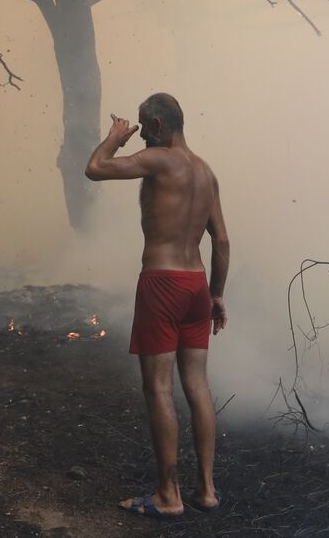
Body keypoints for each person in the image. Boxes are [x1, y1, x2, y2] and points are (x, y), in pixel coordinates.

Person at [85, 92, 229, 518]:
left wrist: (114, 137)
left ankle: (168, 495)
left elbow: (94, 168)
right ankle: (206, 490)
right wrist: (216, 294)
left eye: (145, 128)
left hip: (162, 282)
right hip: (196, 283)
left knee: (159, 387)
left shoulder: (161, 159)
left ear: (160, 126)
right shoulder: (205, 172)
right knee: (198, 386)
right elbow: (220, 239)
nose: (142, 136)